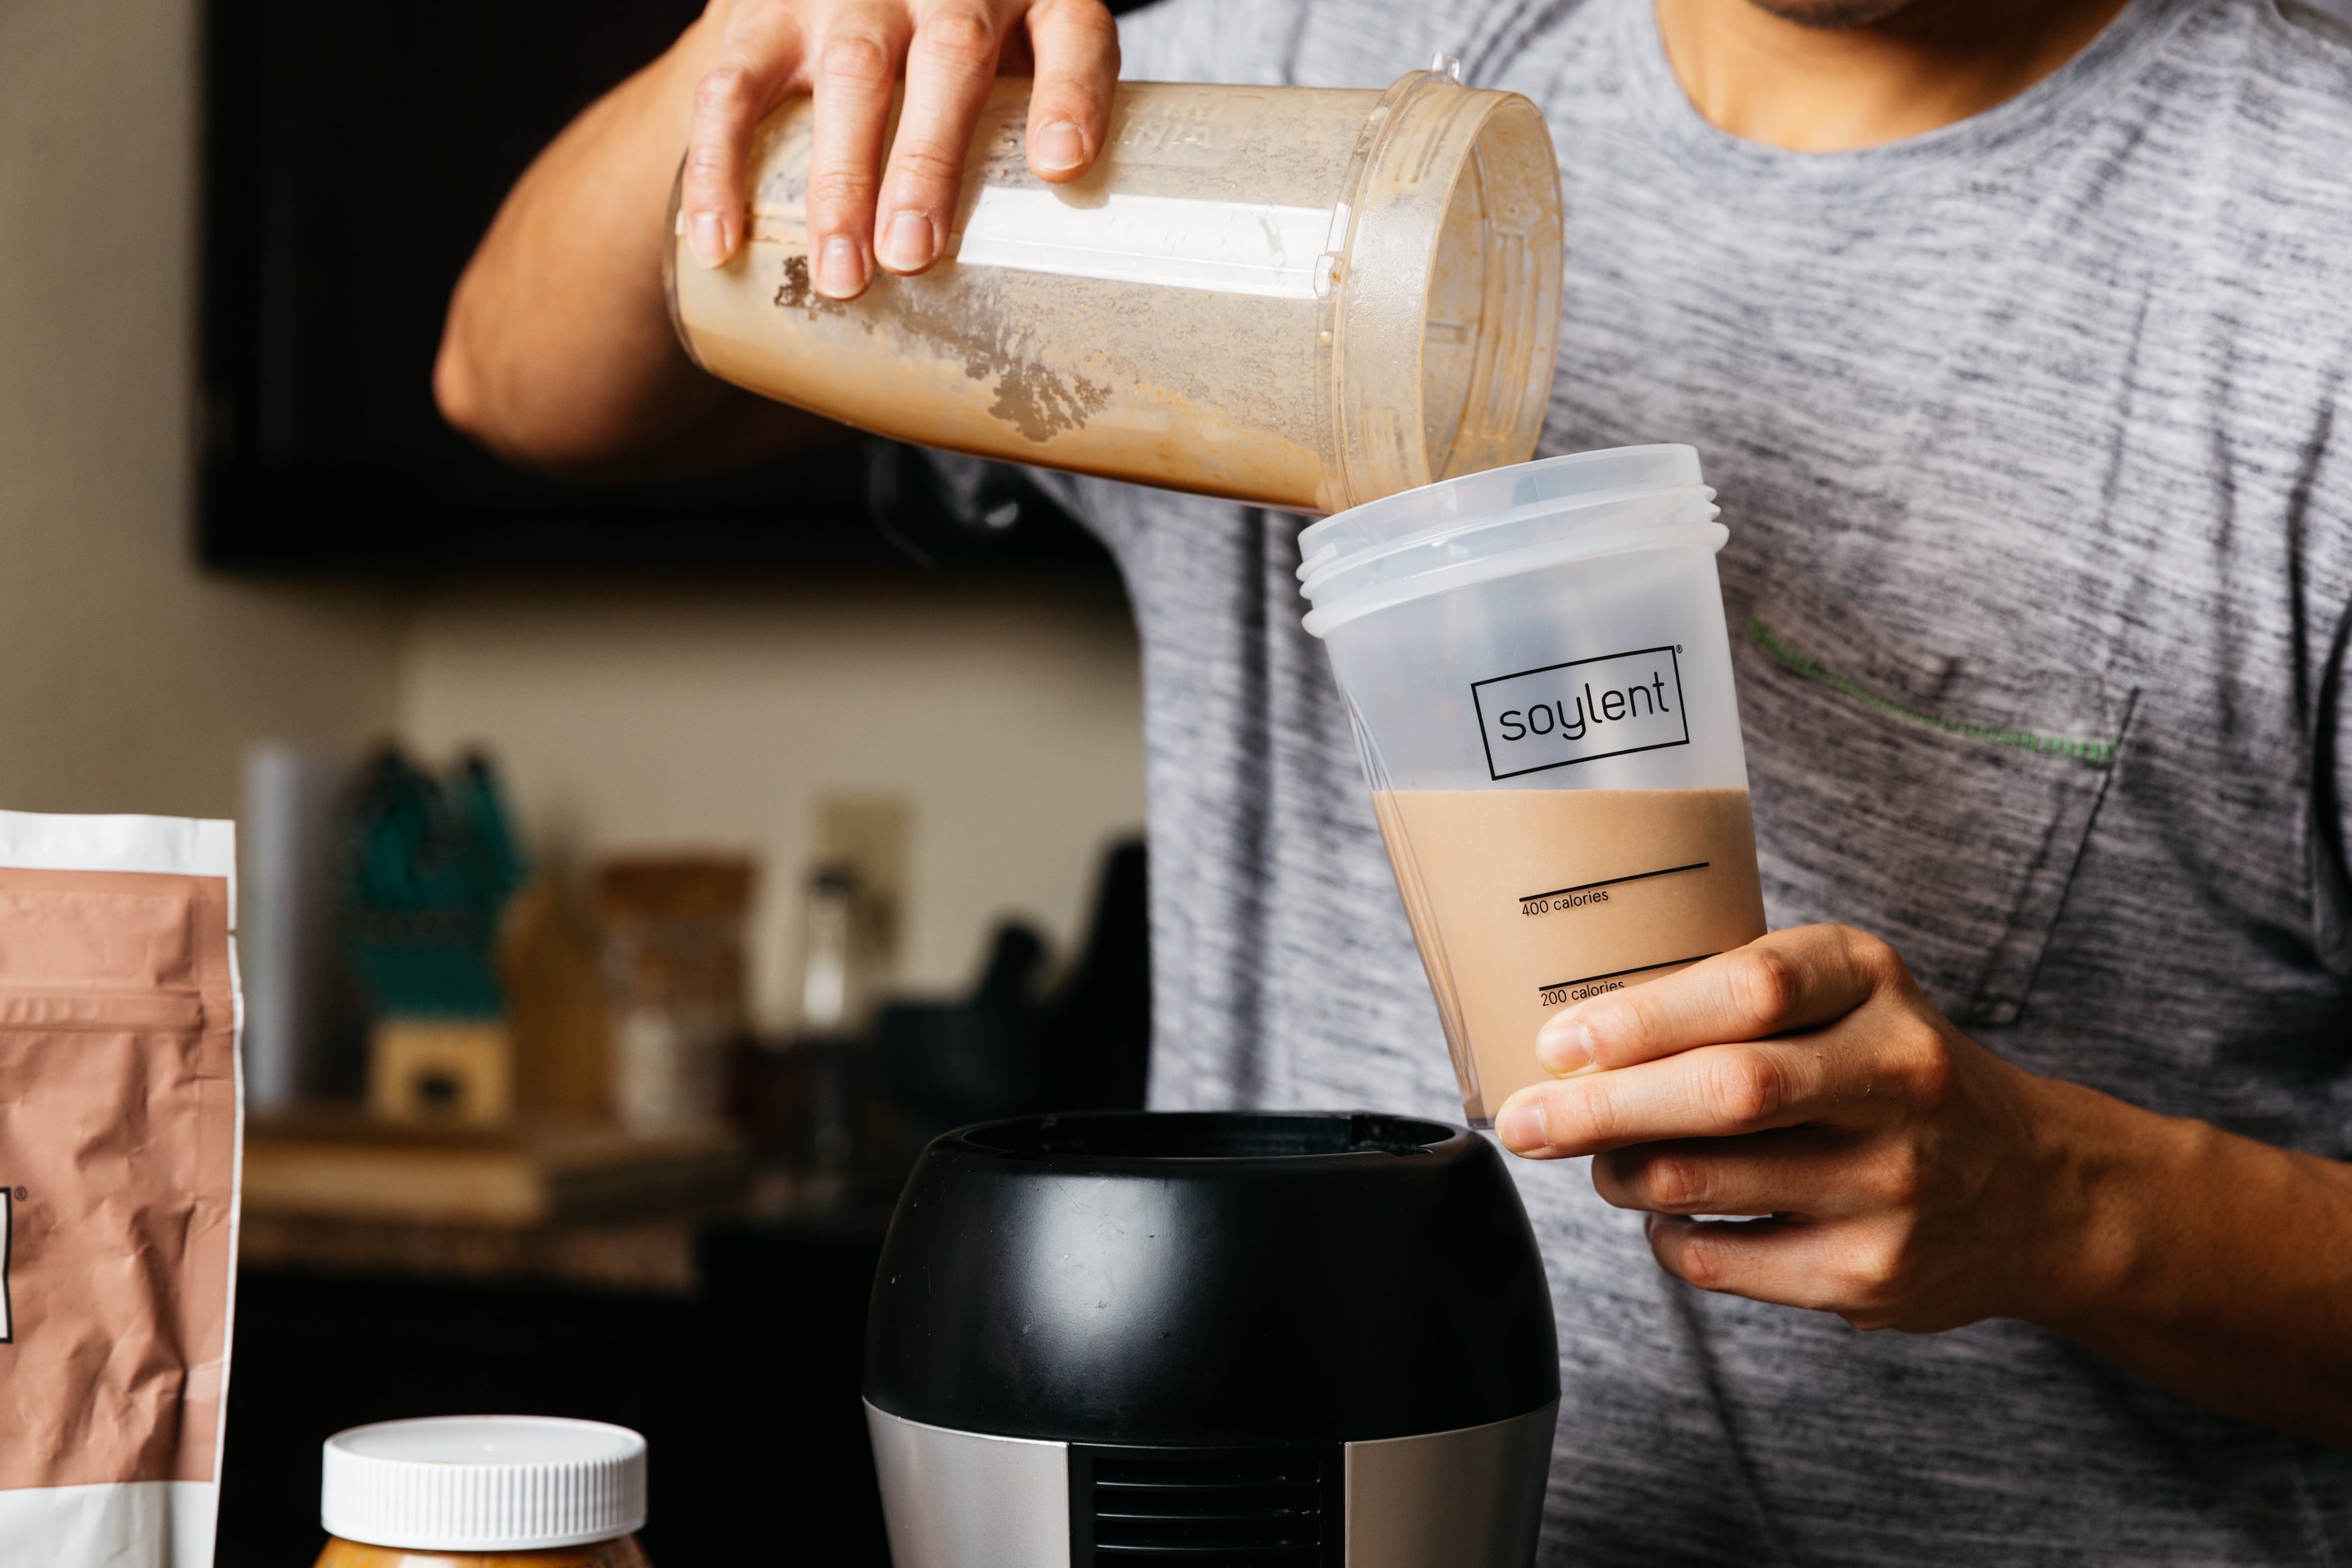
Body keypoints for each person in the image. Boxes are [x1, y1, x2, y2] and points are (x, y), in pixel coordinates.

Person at [435, 0, 2352, 1557]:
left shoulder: (2300, 266)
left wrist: (2071, 1201)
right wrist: (767, 54)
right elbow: (520, 386)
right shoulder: (1300, 105)